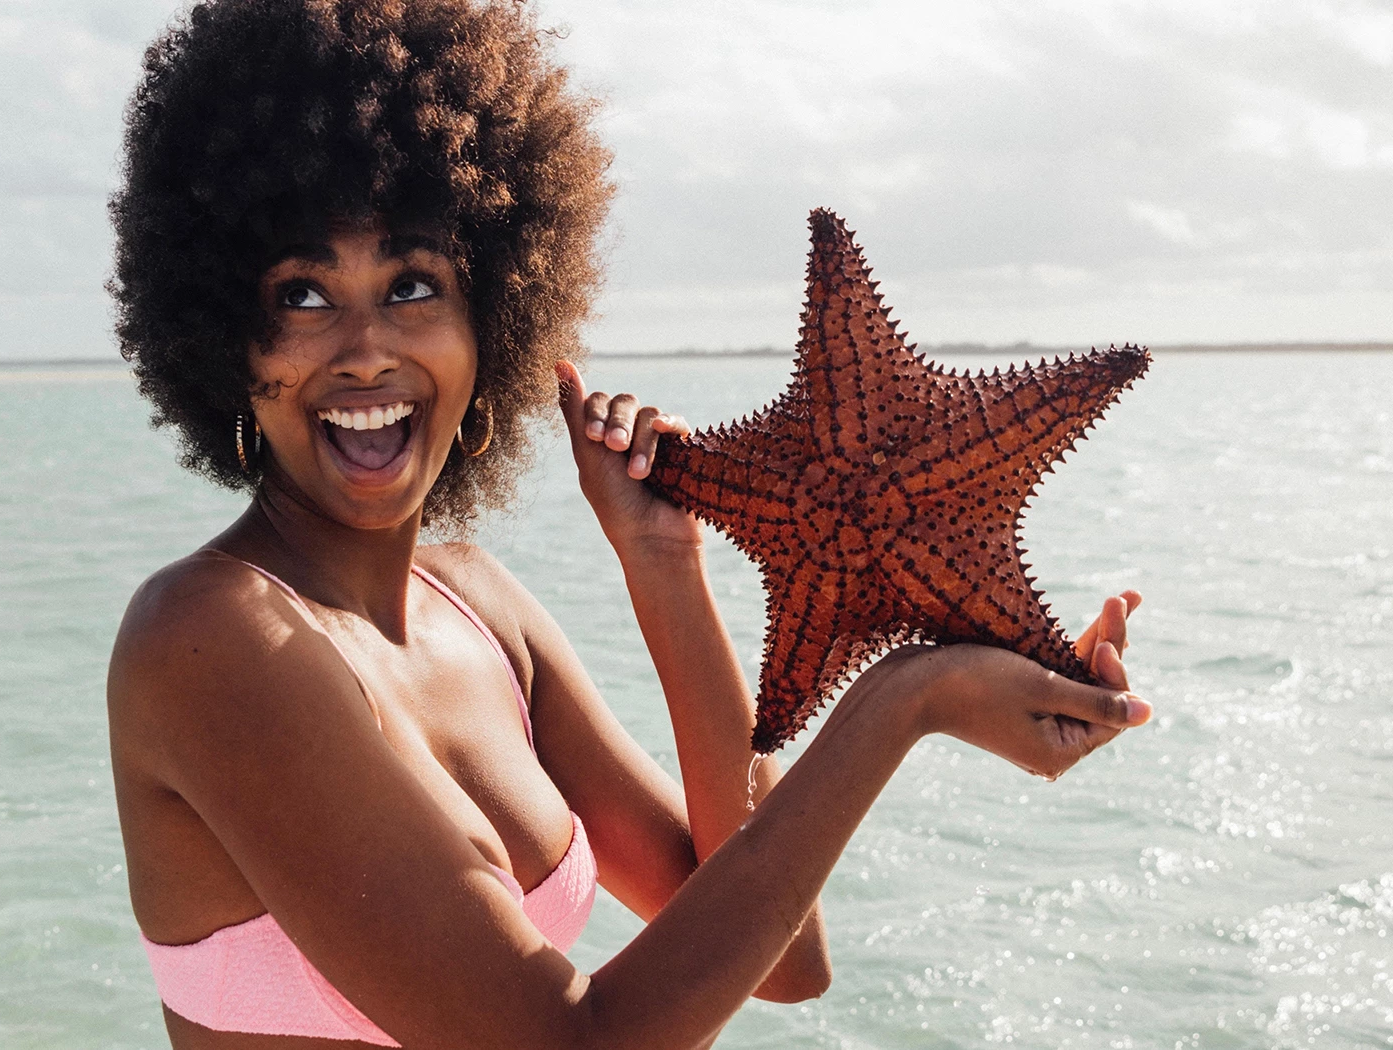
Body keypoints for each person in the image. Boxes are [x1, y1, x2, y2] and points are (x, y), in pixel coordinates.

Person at [104, 2, 1151, 1047]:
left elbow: (780, 959)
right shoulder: (210, 642)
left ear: (492, 320)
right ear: (226, 342)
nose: (368, 347)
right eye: (303, 296)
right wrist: (904, 699)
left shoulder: (479, 610)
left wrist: (665, 563)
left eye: (413, 283)